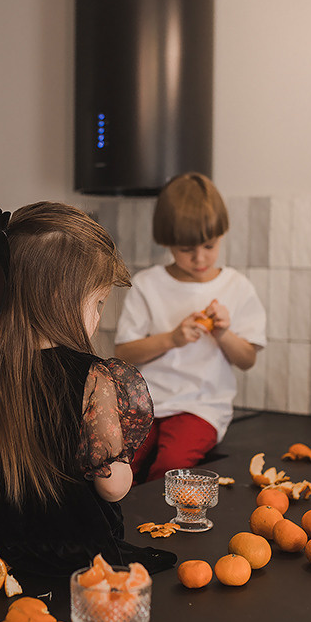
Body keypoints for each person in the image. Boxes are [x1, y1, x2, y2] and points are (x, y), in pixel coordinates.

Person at [0, 202, 176, 578]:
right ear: (60, 300)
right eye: (99, 303)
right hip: (68, 564)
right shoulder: (93, 379)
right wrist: (120, 465)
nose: (99, 317)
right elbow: (112, 488)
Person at [114, 172, 266, 485]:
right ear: (166, 243)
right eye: (186, 249)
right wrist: (172, 338)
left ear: (222, 235)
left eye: (209, 246)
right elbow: (123, 353)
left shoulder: (236, 286)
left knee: (170, 466)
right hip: (147, 404)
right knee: (121, 462)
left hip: (201, 407)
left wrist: (223, 333)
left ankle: (158, 525)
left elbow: (247, 359)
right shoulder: (148, 284)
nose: (199, 258)